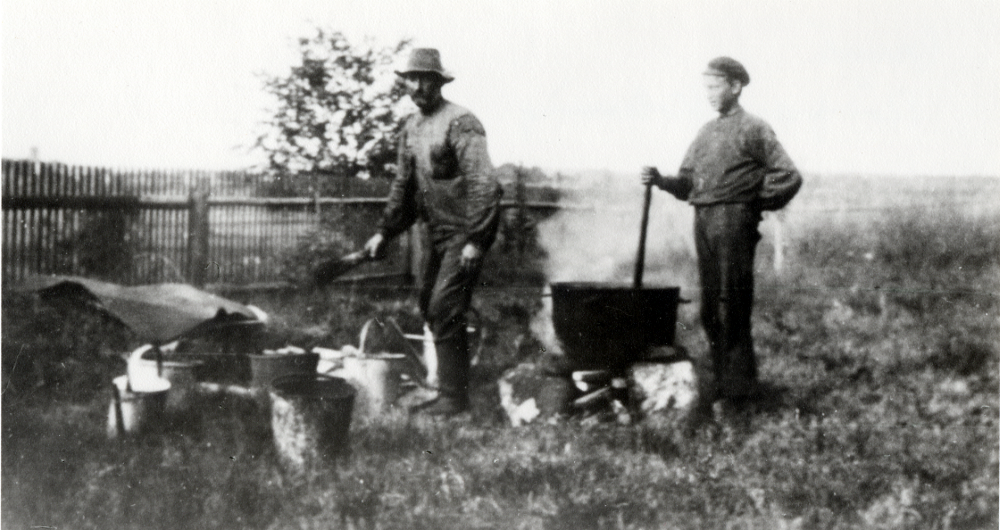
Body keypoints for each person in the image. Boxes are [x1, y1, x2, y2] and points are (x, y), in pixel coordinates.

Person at [642, 57, 801, 411]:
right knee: (711, 311)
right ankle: (721, 385)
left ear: (735, 86)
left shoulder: (754, 128)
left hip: (733, 223)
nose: (710, 95)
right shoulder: (705, 132)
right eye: (706, 88)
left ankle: (740, 396)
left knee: (732, 307)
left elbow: (789, 176)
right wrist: (660, 180)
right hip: (704, 220)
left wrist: (751, 204)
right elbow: (686, 184)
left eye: (715, 87)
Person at [364, 48, 502, 416]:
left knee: (445, 306)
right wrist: (384, 232)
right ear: (405, 83)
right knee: (429, 304)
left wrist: (476, 239)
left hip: (463, 232)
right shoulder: (410, 128)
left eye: (428, 79)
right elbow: (403, 187)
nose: (419, 86)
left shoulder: (461, 122)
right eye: (413, 79)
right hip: (431, 231)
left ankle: (455, 399)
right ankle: (447, 390)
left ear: (439, 82)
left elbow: (484, 183)